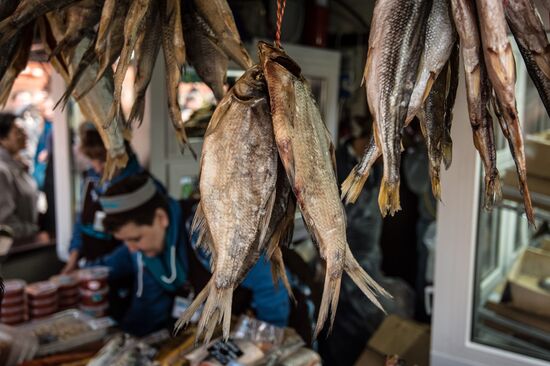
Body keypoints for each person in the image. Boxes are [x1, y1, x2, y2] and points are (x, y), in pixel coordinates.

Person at [90, 173, 290, 336]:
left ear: (161, 218)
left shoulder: (210, 232)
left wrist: (266, 342)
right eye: (125, 241)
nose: (131, 249)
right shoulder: (151, 249)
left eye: (135, 239)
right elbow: (150, 307)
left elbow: (270, 284)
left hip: (270, 317)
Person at [61, 122, 144, 273]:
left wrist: (93, 269)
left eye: (103, 160)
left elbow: (133, 246)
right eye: (93, 159)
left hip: (119, 272)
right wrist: (73, 259)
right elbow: (82, 221)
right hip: (88, 268)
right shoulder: (90, 178)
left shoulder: (136, 184)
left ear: (120, 154)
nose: (97, 167)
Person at [0, 113, 49, 243]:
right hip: (17, 250)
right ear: (3, 139)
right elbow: (5, 221)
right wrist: (34, 232)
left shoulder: (17, 166)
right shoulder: (3, 171)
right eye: (18, 132)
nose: (25, 135)